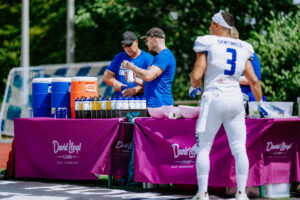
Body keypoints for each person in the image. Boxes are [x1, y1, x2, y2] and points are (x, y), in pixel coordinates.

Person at [189, 10, 268, 200]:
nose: (209, 27)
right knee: (239, 148)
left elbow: (197, 74)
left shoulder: (207, 41)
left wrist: (194, 86)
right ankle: (241, 193)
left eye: (210, 24)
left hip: (214, 98)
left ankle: (202, 193)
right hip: (235, 99)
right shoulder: (243, 46)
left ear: (217, 24)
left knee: (204, 148)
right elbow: (254, 81)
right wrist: (259, 102)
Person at [121, 27, 176, 108]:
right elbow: (151, 82)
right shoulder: (160, 56)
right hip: (156, 106)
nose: (146, 43)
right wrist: (135, 79)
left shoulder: (164, 55)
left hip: (160, 106)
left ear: (154, 39)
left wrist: (130, 66)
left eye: (146, 40)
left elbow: (148, 76)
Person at [103, 31, 153, 98]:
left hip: (140, 102)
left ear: (136, 42)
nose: (127, 48)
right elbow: (107, 76)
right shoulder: (119, 57)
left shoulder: (148, 59)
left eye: (129, 45)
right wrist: (115, 82)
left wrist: (135, 90)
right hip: (121, 101)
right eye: (124, 45)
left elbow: (152, 83)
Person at [231, 27, 262, 101]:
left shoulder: (247, 51)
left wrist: (231, 78)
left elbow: (255, 79)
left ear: (237, 38)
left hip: (247, 98)